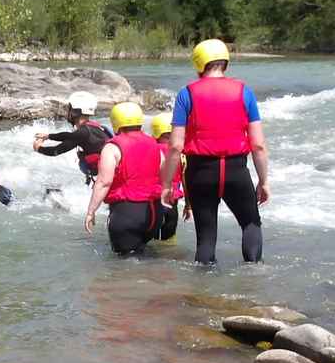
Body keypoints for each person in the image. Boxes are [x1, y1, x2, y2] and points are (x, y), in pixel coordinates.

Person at [161, 39, 270, 264]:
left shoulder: (186, 94)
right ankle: (253, 276)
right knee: (250, 223)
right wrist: (263, 181)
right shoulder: (244, 92)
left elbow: (175, 146)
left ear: (199, 64)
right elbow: (258, 145)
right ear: (225, 62)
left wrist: (165, 185)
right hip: (235, 170)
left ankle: (202, 291)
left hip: (200, 173)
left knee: (206, 237)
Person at [83, 102, 163, 254]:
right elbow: (164, 172)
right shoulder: (154, 143)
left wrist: (91, 211)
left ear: (115, 123)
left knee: (124, 265)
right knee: (144, 257)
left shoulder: (112, 147)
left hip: (127, 213)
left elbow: (104, 182)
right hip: (154, 214)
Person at [32, 91, 113, 183]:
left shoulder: (83, 133)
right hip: (110, 176)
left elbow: (55, 151)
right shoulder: (94, 128)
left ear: (75, 112)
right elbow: (69, 136)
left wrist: (38, 148)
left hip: (108, 182)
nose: (67, 112)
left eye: (69, 109)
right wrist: (49, 136)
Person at [149, 113, 190, 241]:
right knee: (169, 240)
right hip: (172, 202)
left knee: (152, 238)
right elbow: (185, 181)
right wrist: (188, 205)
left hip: (153, 203)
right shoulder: (181, 154)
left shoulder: (151, 150)